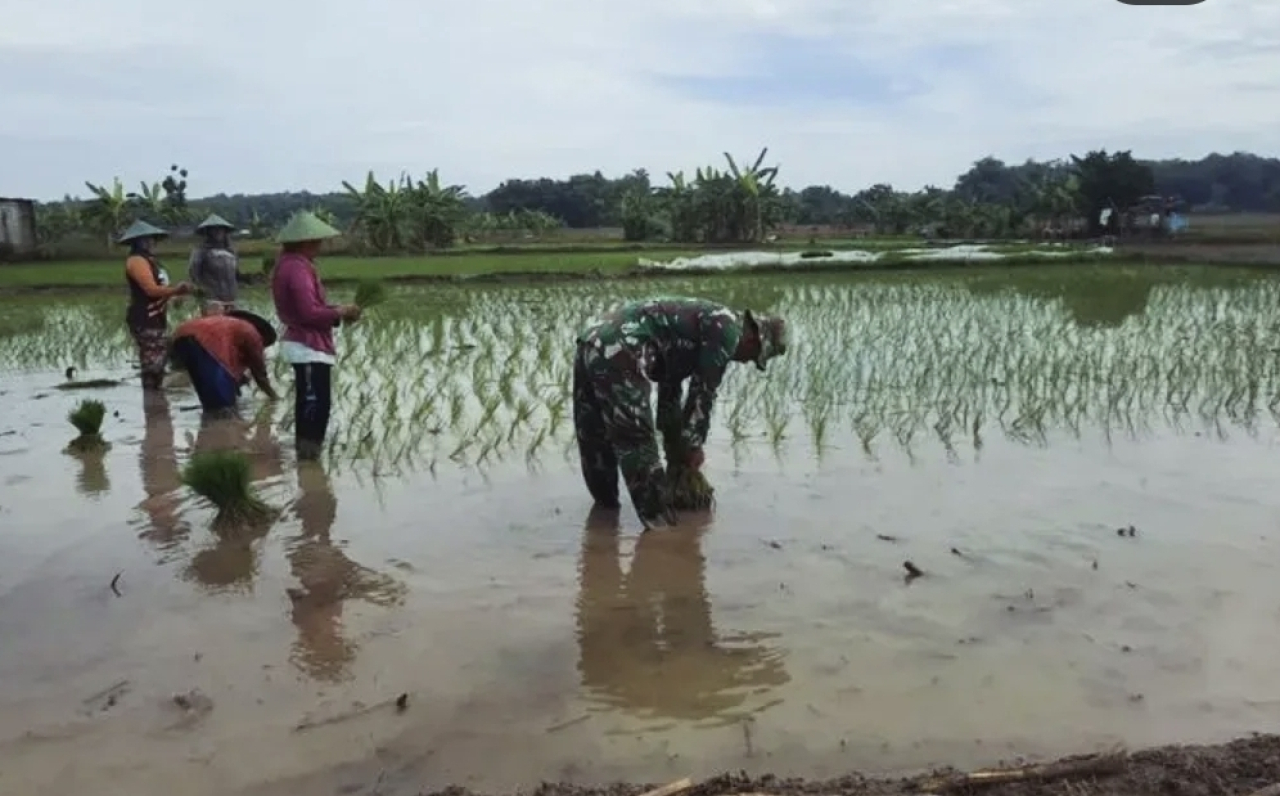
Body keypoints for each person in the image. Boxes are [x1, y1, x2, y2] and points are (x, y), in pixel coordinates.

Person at [573, 297, 788, 529]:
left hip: (591, 340)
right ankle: (662, 533)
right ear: (755, 338)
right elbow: (702, 393)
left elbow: (669, 392)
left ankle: (604, 517)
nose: (746, 362)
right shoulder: (727, 331)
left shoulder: (696, 328)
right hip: (622, 349)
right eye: (753, 356)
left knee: (593, 433)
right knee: (638, 444)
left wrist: (676, 448)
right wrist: (693, 446)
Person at [270, 210, 361, 460]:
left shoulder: (293, 264)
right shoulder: (296, 268)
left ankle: (308, 458)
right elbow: (308, 312)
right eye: (317, 241)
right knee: (314, 405)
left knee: (314, 403)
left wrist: (335, 312)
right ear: (305, 242)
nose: (320, 246)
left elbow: (311, 309)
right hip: (306, 346)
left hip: (306, 344)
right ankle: (308, 461)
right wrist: (340, 312)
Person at [121, 219, 192, 390]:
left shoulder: (151, 261)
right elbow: (151, 290)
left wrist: (175, 296)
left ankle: (155, 406)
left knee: (157, 361)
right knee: (153, 363)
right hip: (145, 318)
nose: (150, 242)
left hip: (156, 317)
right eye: (145, 239)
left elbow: (161, 289)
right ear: (136, 242)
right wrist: (175, 291)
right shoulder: (136, 261)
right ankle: (153, 406)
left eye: (151, 238)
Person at [169, 309, 279, 415]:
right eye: (264, 345)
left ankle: (208, 428)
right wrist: (274, 397)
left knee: (210, 400)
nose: (262, 348)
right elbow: (259, 372)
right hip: (203, 342)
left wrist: (236, 381)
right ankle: (220, 430)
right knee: (224, 408)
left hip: (181, 336)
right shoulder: (252, 333)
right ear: (264, 337)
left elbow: (231, 367)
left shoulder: (229, 325)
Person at [188, 213, 240, 315]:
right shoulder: (201, 251)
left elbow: (236, 275)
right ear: (208, 232)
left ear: (225, 232)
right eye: (214, 230)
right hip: (212, 300)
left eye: (220, 230)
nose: (218, 233)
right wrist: (202, 290)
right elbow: (193, 273)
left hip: (231, 298)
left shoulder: (231, 252)